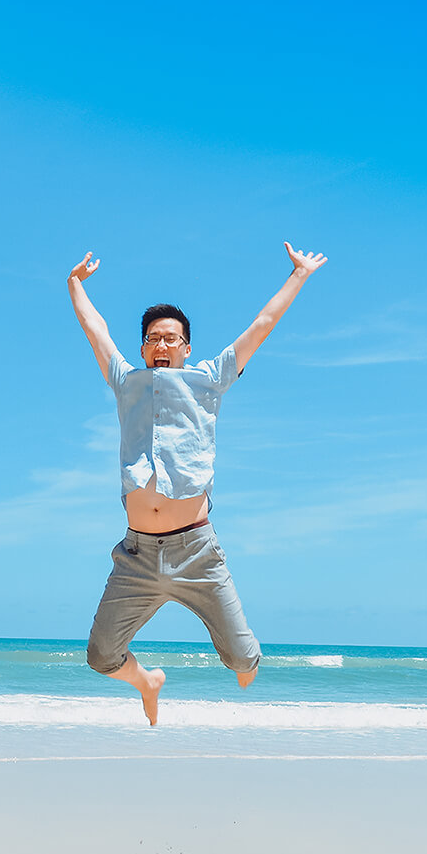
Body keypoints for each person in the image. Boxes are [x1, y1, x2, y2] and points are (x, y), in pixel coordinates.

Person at [68, 241, 328, 724]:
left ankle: (243, 667)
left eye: (170, 338)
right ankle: (147, 681)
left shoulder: (210, 378)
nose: (161, 345)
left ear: (186, 347)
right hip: (137, 557)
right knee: (101, 657)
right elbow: (95, 329)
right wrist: (75, 284)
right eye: (152, 338)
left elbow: (262, 327)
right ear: (143, 347)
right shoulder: (126, 381)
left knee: (242, 661)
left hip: (198, 553)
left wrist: (299, 275)